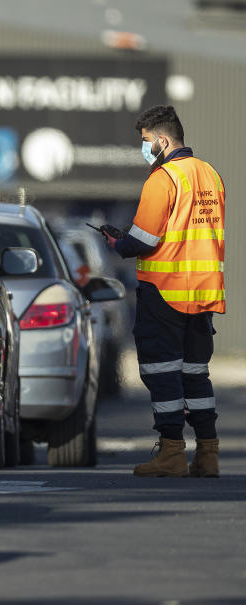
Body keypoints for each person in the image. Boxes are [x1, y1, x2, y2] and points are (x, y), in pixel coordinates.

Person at [103, 105, 225, 478]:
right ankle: (207, 453)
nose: (145, 149)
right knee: (196, 373)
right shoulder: (210, 175)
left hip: (165, 290)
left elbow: (145, 238)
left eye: (145, 142)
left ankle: (171, 451)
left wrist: (118, 243)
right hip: (202, 293)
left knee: (162, 371)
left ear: (163, 140)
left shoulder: (164, 178)